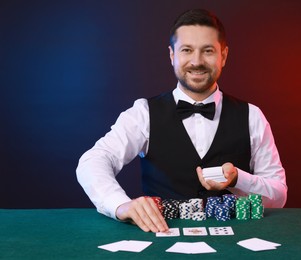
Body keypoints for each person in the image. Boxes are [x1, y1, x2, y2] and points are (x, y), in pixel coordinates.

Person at [76, 9, 287, 233]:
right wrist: (119, 204)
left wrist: (238, 180)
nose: (197, 62)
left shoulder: (252, 115)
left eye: (208, 51)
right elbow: (92, 161)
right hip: (161, 241)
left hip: (236, 244)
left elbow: (279, 196)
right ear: (172, 55)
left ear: (223, 56)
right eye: (187, 50)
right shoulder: (143, 113)